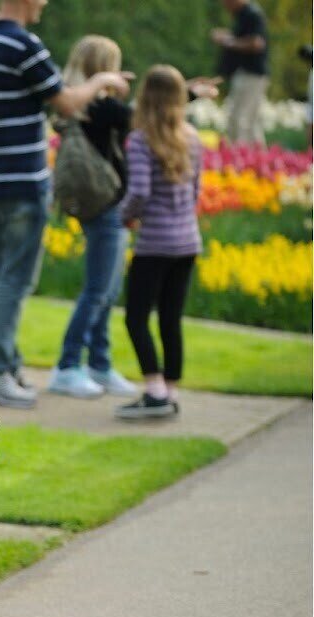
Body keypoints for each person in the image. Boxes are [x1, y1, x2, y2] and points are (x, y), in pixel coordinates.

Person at [0, 0, 130, 410]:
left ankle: (5, 362)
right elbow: (67, 103)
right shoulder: (24, 45)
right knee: (15, 279)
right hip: (23, 179)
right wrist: (103, 78)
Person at [46, 36, 141, 401]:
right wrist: (185, 94)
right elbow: (147, 118)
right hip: (107, 206)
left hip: (100, 204)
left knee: (106, 290)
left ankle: (99, 363)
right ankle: (68, 365)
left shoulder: (81, 104)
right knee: (98, 291)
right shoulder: (101, 107)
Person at [117, 66, 204, 421]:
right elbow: (196, 190)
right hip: (187, 241)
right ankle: (171, 390)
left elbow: (138, 191)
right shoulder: (192, 137)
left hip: (155, 242)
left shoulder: (140, 140)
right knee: (171, 318)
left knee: (136, 316)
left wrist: (125, 216)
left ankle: (153, 390)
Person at [211, 0, 270, 145]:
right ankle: (257, 160)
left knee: (241, 120)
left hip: (252, 74)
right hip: (247, 73)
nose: (225, 5)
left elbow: (257, 43)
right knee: (249, 121)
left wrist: (228, 41)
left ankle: (242, 158)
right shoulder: (243, 14)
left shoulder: (252, 13)